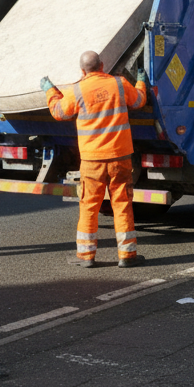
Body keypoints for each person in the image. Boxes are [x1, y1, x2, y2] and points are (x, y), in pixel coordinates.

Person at [43, 51, 148, 268]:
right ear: (102, 65)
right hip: (120, 157)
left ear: (82, 71)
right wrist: (140, 81)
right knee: (122, 205)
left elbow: (59, 112)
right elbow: (139, 101)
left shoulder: (78, 90)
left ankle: (86, 257)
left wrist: (50, 91)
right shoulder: (119, 84)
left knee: (89, 206)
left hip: (92, 161)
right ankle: (127, 256)